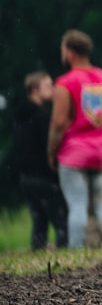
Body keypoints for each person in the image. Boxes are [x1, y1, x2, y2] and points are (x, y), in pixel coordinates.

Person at [48, 29, 102, 249]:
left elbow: (58, 123)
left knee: (77, 205)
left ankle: (76, 252)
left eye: (63, 49)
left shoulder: (65, 83)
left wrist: (52, 151)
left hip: (74, 154)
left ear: (70, 52)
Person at [13, 71, 68, 250]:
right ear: (35, 90)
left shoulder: (20, 116)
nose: (53, 90)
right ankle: (65, 257)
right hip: (44, 176)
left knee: (39, 222)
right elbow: (50, 146)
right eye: (47, 86)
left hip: (26, 177)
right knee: (61, 221)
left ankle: (37, 255)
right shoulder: (43, 117)